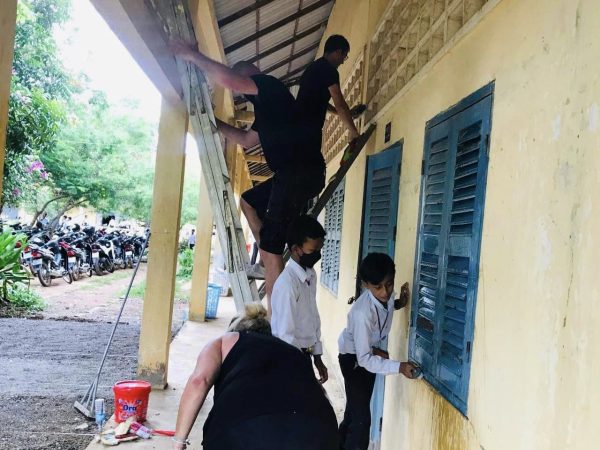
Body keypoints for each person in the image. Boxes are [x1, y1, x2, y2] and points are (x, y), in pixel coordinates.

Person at [170, 41, 325, 307]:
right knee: (248, 201)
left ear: (248, 76)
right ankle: (267, 257)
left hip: (298, 173)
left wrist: (191, 55)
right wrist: (214, 123)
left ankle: (276, 315)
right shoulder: (268, 109)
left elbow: (229, 80)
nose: (240, 93)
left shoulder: (269, 85)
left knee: (271, 249)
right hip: (294, 174)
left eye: (241, 86)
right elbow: (245, 139)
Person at [172, 303, 338, 450]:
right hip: (318, 431)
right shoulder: (294, 352)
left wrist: (179, 441)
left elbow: (199, 381)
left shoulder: (225, 340)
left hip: (244, 433)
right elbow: (319, 391)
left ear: (236, 329)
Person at [337, 253, 420, 450]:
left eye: (389, 284)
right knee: (361, 420)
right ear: (366, 285)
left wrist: (400, 302)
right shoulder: (362, 313)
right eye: (378, 287)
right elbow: (364, 359)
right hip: (353, 359)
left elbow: (388, 305)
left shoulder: (386, 297)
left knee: (354, 411)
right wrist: (400, 367)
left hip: (367, 352)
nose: (385, 292)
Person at [271, 215, 328, 384]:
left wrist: (317, 357)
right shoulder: (287, 284)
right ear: (296, 249)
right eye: (313, 251)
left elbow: (312, 319)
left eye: (319, 249)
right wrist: (301, 368)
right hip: (288, 356)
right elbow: (285, 335)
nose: (317, 255)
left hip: (304, 354)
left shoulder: (310, 274)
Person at [295, 35, 365, 164]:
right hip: (309, 129)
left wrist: (344, 114)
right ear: (338, 52)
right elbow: (340, 103)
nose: (343, 61)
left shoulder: (313, 68)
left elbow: (319, 101)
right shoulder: (329, 70)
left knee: (303, 165)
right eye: (344, 56)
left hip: (297, 128)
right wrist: (354, 133)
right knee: (310, 166)